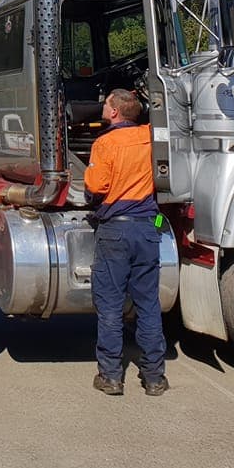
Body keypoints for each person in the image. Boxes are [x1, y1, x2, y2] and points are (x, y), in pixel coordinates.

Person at [84, 88, 168, 397]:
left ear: (115, 112)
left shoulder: (105, 143)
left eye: (106, 104)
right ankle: (155, 377)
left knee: (110, 306)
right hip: (148, 228)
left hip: (115, 231)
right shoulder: (150, 137)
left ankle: (111, 376)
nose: (103, 107)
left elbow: (96, 186)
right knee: (148, 304)